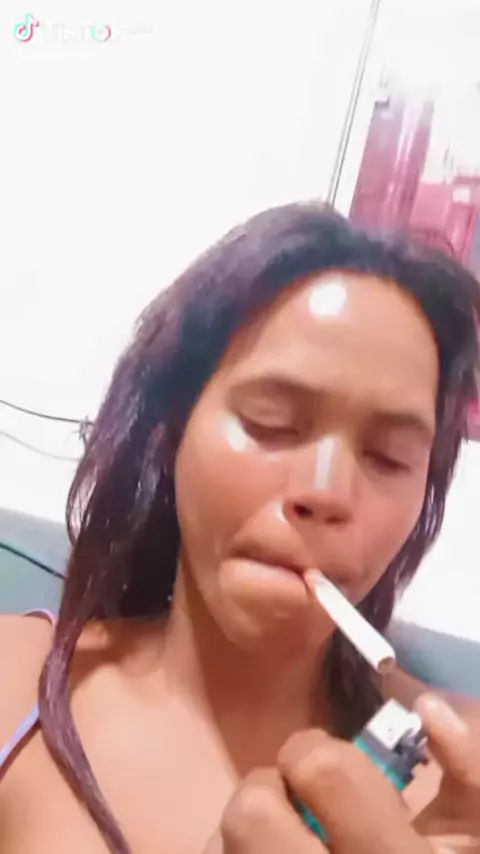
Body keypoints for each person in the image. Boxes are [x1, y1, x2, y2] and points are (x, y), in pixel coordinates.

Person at [0, 202, 479, 854]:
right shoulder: (13, 680)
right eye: (270, 423)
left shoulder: (463, 776)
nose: (327, 493)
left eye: (389, 457)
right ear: (172, 431)